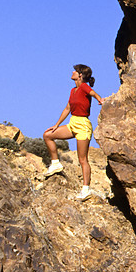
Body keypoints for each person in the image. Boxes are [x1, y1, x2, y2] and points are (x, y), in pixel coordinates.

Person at [43, 63, 104, 200]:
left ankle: (86, 189)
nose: (72, 72)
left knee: (82, 159)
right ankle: (55, 164)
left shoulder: (83, 86)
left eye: (75, 71)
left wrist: (100, 100)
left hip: (83, 125)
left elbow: (93, 93)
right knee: (48, 135)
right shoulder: (73, 90)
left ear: (80, 75)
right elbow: (67, 109)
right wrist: (56, 125)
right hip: (72, 123)